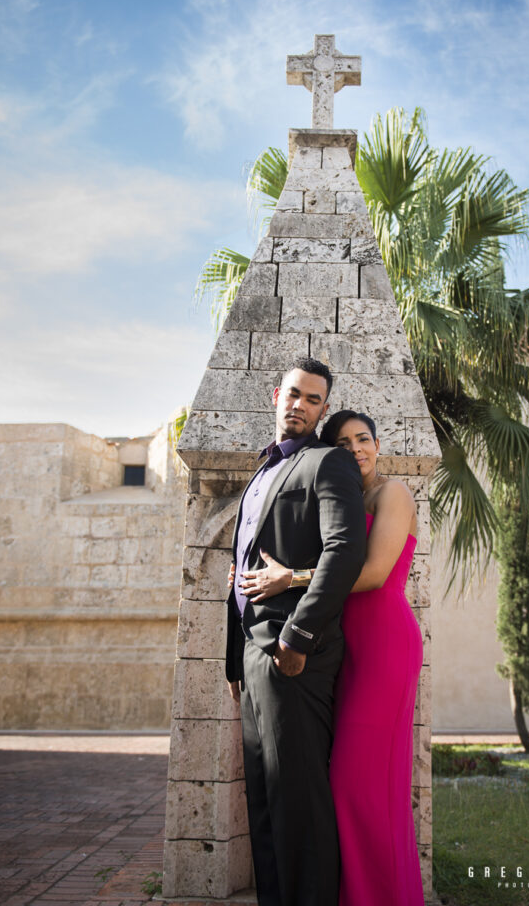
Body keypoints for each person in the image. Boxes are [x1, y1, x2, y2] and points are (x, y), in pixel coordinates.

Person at [241, 409, 425, 906]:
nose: (356, 450)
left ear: (379, 444)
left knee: (359, 787)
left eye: (363, 439)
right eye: (343, 444)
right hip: (345, 645)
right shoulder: (346, 497)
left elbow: (373, 574)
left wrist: (291, 578)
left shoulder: (394, 495)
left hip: (384, 643)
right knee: (341, 784)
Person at [226, 360, 367, 906]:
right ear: (275, 395)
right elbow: (239, 564)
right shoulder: (262, 472)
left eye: (313, 400)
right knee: (263, 804)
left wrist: (295, 640)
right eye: (293, 394)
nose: (300, 405)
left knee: (299, 807)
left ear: (322, 409)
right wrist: (233, 658)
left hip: (293, 659)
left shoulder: (327, 463)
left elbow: (344, 551)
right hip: (252, 656)